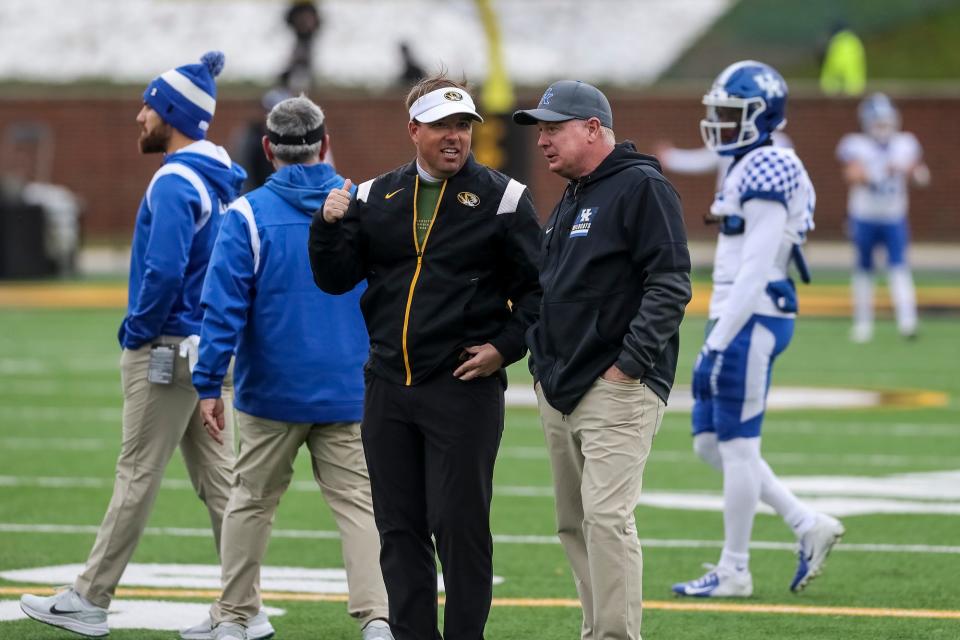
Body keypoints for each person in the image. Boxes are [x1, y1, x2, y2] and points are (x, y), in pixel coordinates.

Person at [19, 52, 247, 637]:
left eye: (149, 105)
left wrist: (139, 331)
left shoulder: (175, 180)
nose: (139, 115)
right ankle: (243, 607)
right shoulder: (219, 176)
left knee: (138, 473)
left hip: (169, 348)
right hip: (209, 346)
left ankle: (90, 598)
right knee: (221, 483)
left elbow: (164, 271)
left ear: (171, 114)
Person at [309, 73, 541, 640]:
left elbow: (540, 292)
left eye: (463, 125)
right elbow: (336, 279)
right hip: (387, 386)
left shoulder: (504, 198)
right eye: (442, 125)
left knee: (459, 528)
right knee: (399, 528)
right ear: (414, 129)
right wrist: (326, 226)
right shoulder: (372, 195)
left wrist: (503, 349)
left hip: (462, 387)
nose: (455, 136)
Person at [183, 95, 392, 640]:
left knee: (249, 504)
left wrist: (208, 382)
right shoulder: (366, 204)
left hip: (270, 391)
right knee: (361, 508)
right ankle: (377, 618)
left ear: (268, 149)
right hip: (351, 387)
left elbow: (223, 309)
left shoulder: (248, 214)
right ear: (325, 144)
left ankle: (233, 617)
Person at [513, 80, 692, 640]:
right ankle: (597, 631)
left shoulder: (641, 186)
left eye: (553, 128)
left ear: (593, 128)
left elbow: (670, 283)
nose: (542, 141)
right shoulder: (574, 194)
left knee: (607, 519)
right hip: (561, 385)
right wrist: (541, 364)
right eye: (539, 130)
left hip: (614, 385)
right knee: (574, 523)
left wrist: (630, 366)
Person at [671, 60, 845, 599]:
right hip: (737, 316)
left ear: (762, 116)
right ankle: (805, 522)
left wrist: (719, 340)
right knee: (708, 444)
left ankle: (735, 569)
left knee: (739, 447)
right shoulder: (750, 162)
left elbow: (758, 263)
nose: (721, 122)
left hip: (753, 316)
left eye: (732, 113)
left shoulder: (772, 163)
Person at [837, 92, 929, 343]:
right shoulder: (855, 143)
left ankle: (907, 322)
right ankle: (863, 324)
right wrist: (879, 173)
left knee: (899, 267)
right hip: (864, 215)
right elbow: (852, 175)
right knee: (863, 270)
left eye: (886, 121)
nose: (882, 127)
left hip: (893, 216)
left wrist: (909, 170)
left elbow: (921, 175)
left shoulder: (905, 143)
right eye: (877, 122)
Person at [819, 21, 866, 97]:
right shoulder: (855, 40)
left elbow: (838, 65)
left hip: (834, 89)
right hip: (855, 87)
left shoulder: (836, 41)